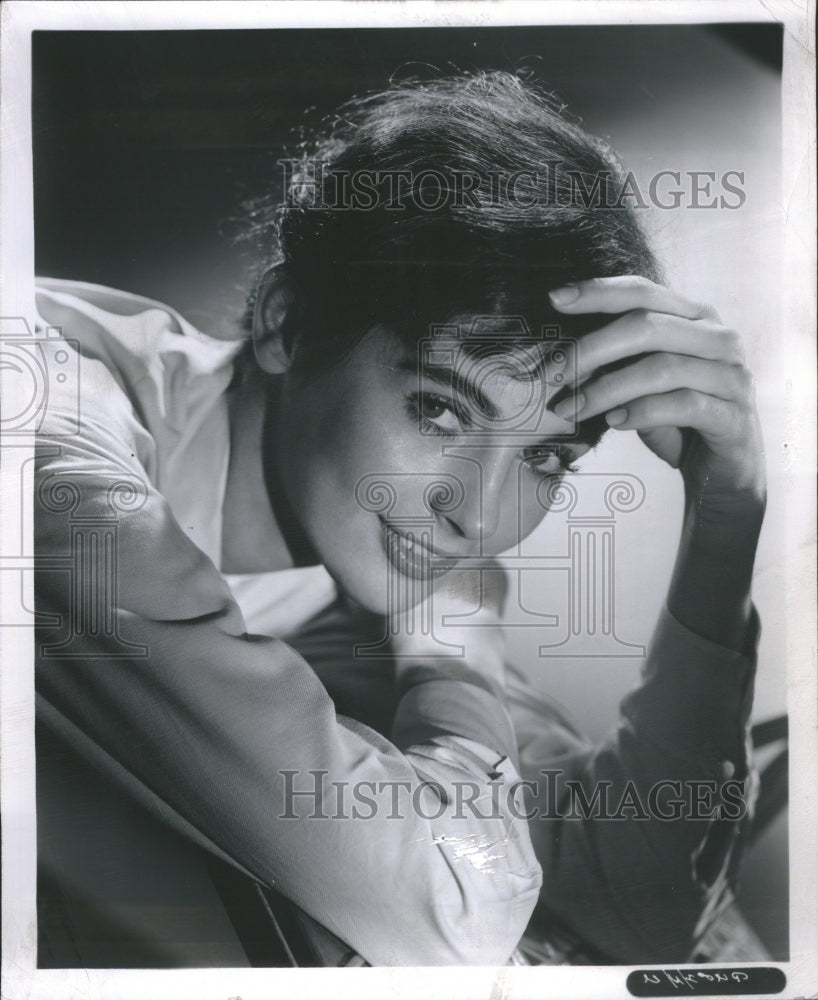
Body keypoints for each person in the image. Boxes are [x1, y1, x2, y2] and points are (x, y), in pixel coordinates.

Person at [33, 70, 766, 967]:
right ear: (288, 322)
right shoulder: (45, 434)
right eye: (442, 412)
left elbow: (632, 915)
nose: (476, 517)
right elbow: (450, 914)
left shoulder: (378, 578)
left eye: (546, 456)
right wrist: (455, 653)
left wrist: (728, 519)